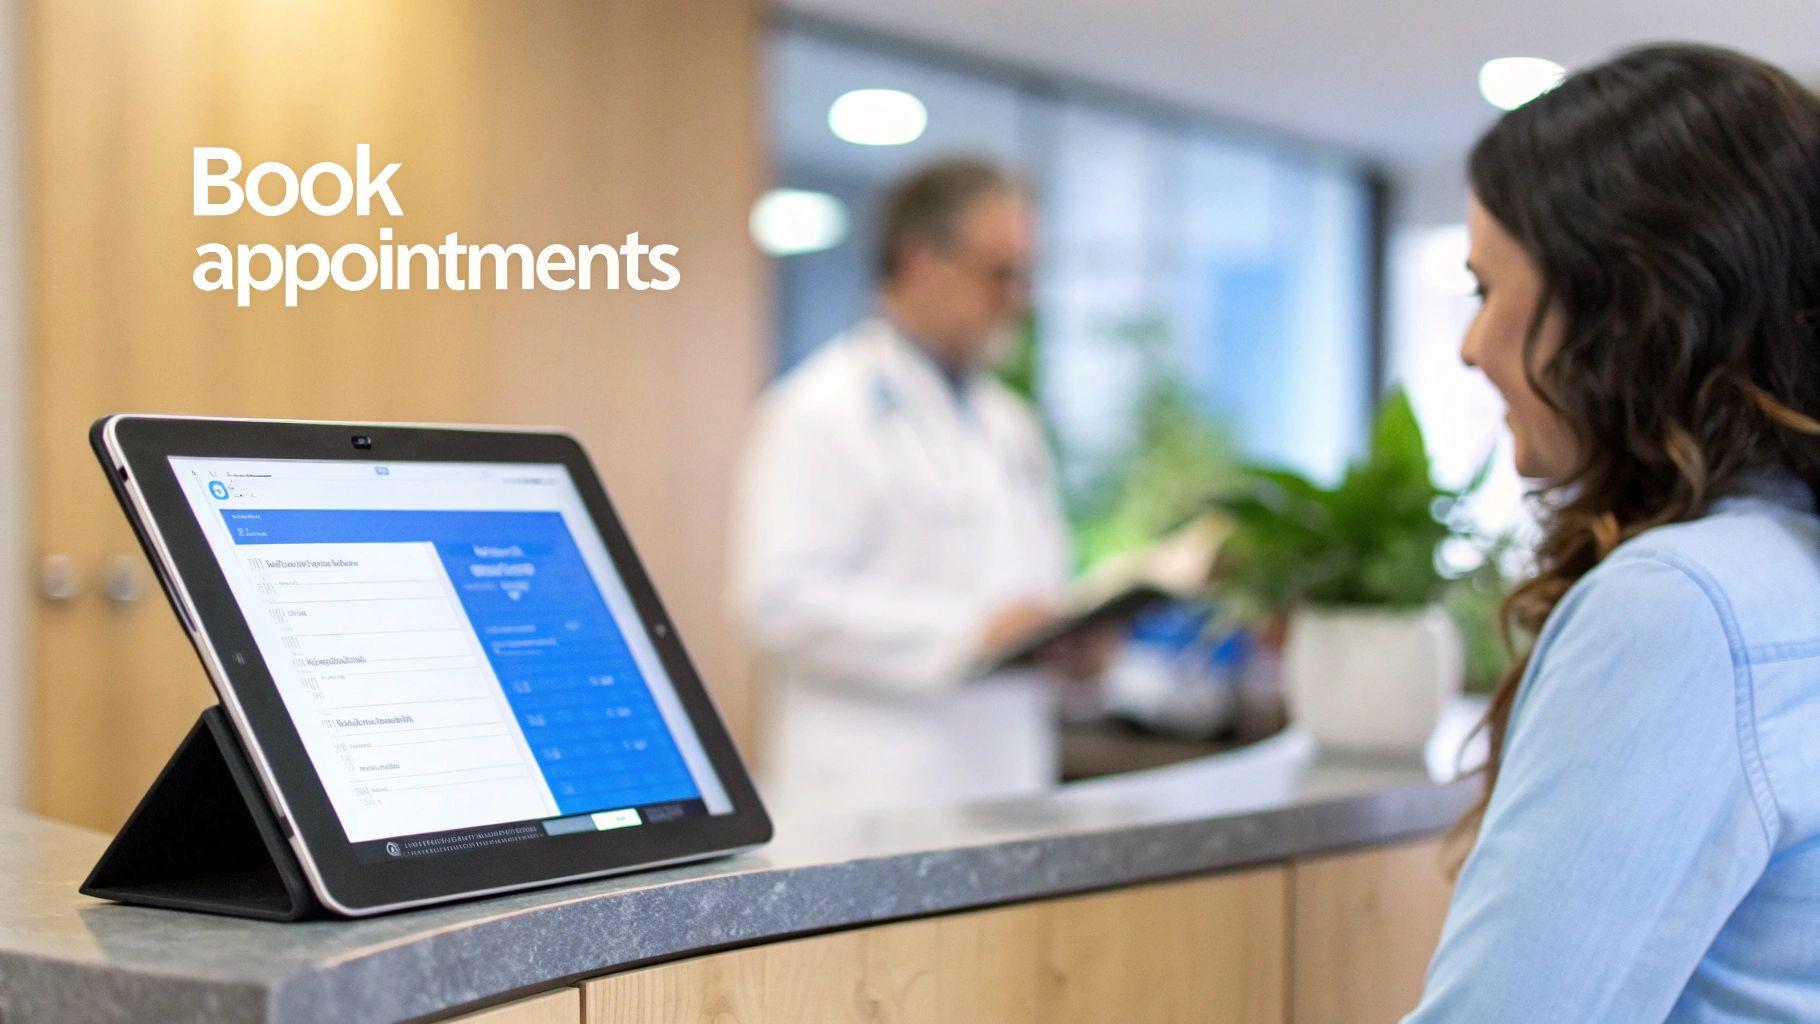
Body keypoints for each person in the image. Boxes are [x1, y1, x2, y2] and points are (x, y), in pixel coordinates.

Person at [1404, 45, 1820, 1021]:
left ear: (1617, 305)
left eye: (1483, 290)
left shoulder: (1679, 604)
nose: (1468, 347)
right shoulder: (1787, 570)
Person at [733, 159, 1096, 816]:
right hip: (876, 795)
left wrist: (1072, 644)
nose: (1020, 298)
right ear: (922, 261)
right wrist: (972, 632)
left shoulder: (1008, 423)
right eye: (1000, 274)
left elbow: (1036, 583)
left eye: (1026, 274)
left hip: (1009, 776)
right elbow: (778, 604)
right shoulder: (819, 411)